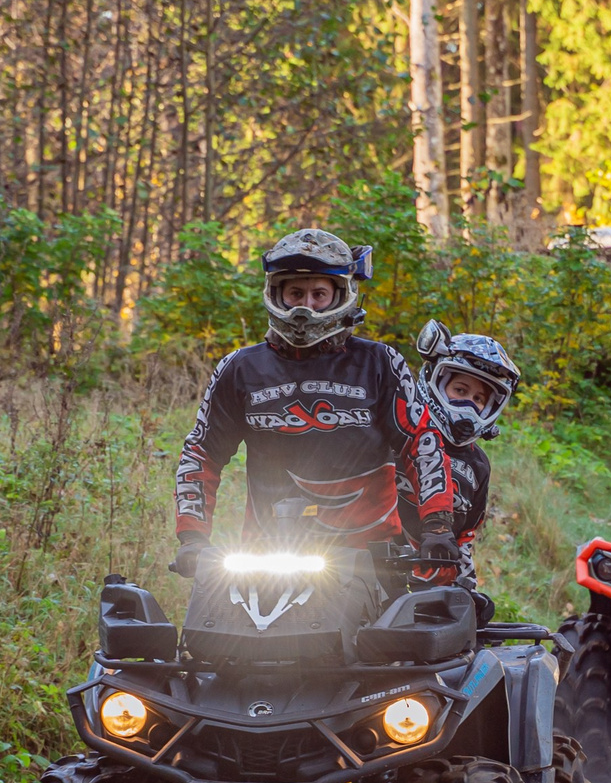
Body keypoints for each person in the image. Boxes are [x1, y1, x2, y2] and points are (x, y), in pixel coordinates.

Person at [172, 228, 453, 579]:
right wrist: (193, 538)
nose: (305, 304)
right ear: (276, 294)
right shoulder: (240, 368)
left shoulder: (380, 362)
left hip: (372, 561)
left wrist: (437, 526)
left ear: (342, 296)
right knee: (209, 633)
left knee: (400, 632)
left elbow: (421, 444)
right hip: (264, 560)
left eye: (319, 293)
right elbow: (201, 452)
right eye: (295, 292)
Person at [399, 325, 522, 589]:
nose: (469, 403)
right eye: (461, 390)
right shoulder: (399, 436)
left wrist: (466, 585)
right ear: (436, 382)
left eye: (479, 398)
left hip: (433, 580)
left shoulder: (478, 464)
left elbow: (465, 536)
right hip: (375, 567)